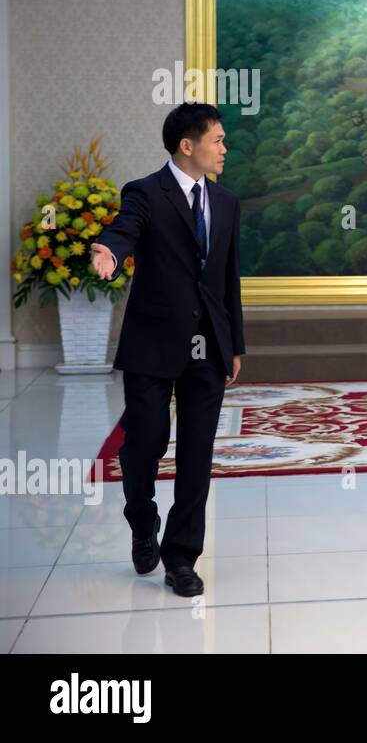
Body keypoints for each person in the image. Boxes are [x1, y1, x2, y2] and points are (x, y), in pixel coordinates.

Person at [90, 102, 245, 598]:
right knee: (144, 447)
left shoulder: (225, 203)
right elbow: (125, 229)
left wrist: (234, 343)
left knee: (197, 454)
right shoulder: (145, 193)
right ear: (188, 145)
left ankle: (181, 558)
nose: (224, 148)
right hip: (152, 344)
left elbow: (227, 279)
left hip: (209, 348)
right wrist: (110, 250)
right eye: (217, 140)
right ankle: (141, 520)